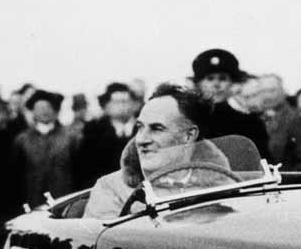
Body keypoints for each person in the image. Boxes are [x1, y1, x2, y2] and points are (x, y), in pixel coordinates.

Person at [85, 84, 216, 219]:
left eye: (157, 129)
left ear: (188, 136)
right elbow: (101, 232)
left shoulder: (219, 185)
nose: (141, 140)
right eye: (140, 127)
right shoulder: (112, 188)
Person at [191, 49, 268, 151]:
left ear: (232, 83)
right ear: (198, 83)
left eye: (222, 78)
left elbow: (261, 157)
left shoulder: (250, 123)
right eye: (210, 78)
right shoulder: (189, 119)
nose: (216, 85)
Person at [11, 90, 76, 208]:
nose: (44, 111)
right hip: (33, 199)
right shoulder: (22, 139)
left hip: (64, 198)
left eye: (48, 107)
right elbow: (17, 174)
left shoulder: (71, 137)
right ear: (33, 111)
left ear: (55, 111)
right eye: (40, 108)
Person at [74, 82, 136, 190]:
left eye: (126, 101)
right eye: (117, 102)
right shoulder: (93, 132)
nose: (123, 106)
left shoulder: (141, 129)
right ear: (106, 106)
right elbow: (84, 169)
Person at [259, 74, 301, 170]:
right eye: (262, 91)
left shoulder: (297, 119)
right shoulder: (255, 119)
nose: (267, 96)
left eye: (272, 90)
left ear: (282, 91)